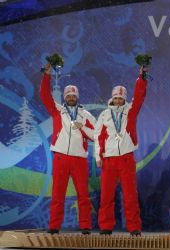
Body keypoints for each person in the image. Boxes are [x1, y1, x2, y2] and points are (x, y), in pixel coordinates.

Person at [40, 64, 96, 234]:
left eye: (74, 95)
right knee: (57, 194)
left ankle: (85, 225)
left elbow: (97, 135)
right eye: (68, 95)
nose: (71, 97)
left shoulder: (86, 115)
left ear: (77, 97)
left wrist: (83, 128)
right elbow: (44, 95)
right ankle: (54, 226)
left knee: (83, 195)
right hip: (61, 157)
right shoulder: (58, 110)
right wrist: (47, 75)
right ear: (65, 97)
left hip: (79, 158)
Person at [94, 66, 148, 236]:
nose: (118, 101)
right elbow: (98, 136)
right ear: (112, 98)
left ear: (124, 99)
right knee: (106, 196)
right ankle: (106, 226)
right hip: (109, 159)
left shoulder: (130, 111)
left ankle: (134, 227)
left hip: (126, 158)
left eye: (121, 98)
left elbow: (139, 96)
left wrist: (142, 77)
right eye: (116, 98)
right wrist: (98, 155)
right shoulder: (104, 115)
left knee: (130, 195)